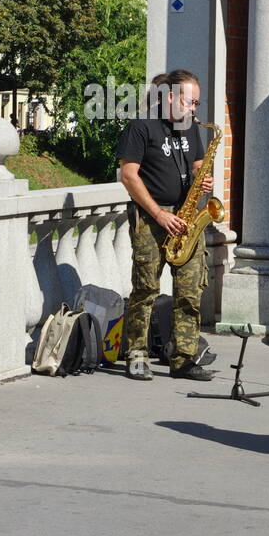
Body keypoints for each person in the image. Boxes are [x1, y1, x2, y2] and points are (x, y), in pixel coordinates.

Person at [117, 69, 215, 381]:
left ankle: (184, 358)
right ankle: (137, 355)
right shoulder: (141, 126)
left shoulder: (189, 127)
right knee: (146, 289)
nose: (194, 109)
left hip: (186, 218)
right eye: (190, 101)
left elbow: (197, 162)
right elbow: (129, 176)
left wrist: (204, 178)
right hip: (151, 218)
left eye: (197, 103)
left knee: (189, 291)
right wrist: (159, 214)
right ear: (170, 97)